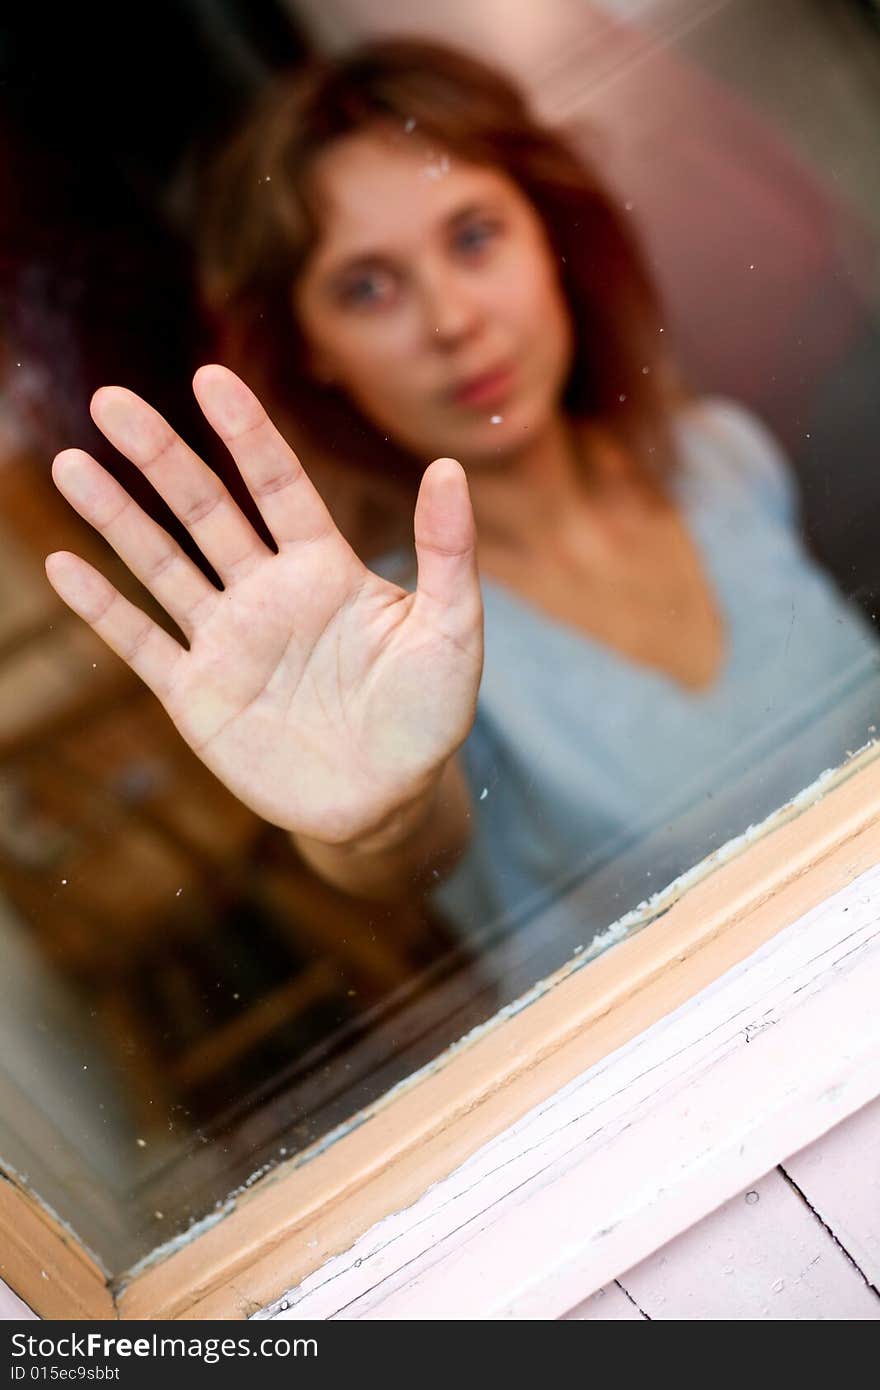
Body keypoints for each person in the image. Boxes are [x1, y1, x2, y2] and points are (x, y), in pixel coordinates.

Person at [44, 39, 880, 955]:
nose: (452, 320)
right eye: (367, 288)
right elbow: (414, 843)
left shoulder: (721, 456)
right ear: (312, 349)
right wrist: (375, 824)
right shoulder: (369, 637)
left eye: (474, 237)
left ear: (546, 233)